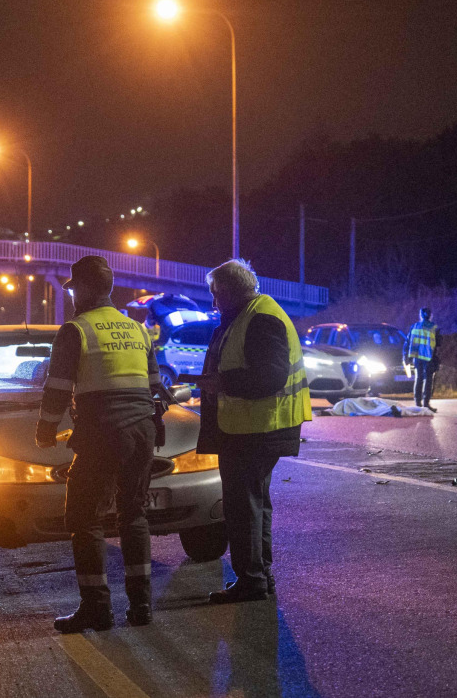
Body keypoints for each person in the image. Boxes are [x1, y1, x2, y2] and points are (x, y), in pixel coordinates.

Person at [36, 256, 166, 632]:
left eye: (75, 288)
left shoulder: (75, 330)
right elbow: (156, 386)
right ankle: (141, 605)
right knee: (133, 515)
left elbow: (58, 388)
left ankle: (96, 607)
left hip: (102, 434)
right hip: (141, 431)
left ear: (88, 289)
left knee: (84, 518)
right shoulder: (137, 329)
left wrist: (45, 431)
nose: (73, 294)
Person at [197, 259, 312, 603]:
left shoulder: (259, 318)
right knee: (254, 504)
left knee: (242, 506)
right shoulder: (246, 316)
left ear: (230, 291)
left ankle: (251, 579)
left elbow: (270, 376)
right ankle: (258, 576)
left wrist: (223, 383)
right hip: (253, 427)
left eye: (216, 294)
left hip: (257, 428)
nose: (213, 303)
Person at [403, 307, 439, 412]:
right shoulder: (434, 327)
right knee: (428, 380)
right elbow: (438, 344)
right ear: (430, 315)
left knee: (418, 379)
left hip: (417, 357)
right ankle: (426, 404)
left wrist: (406, 356)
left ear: (421, 315)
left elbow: (407, 342)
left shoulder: (414, 326)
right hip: (428, 357)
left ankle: (417, 404)